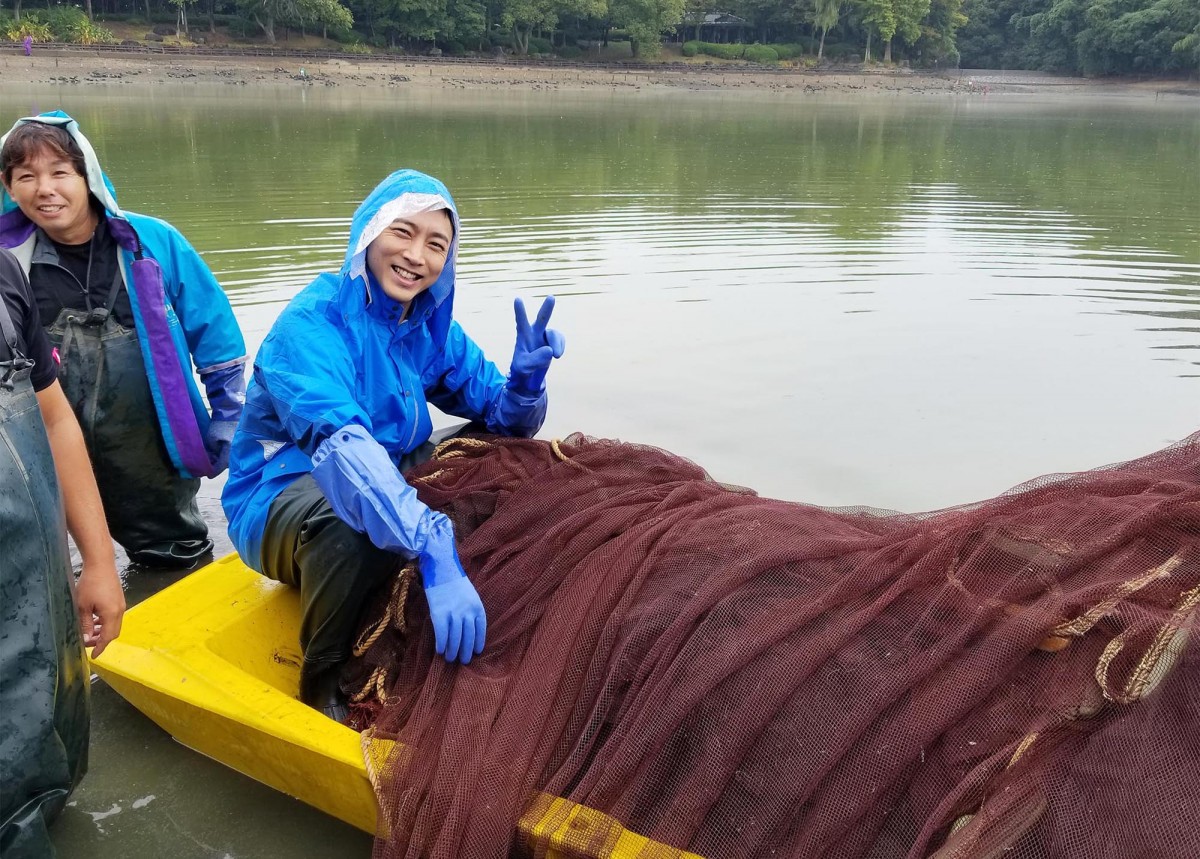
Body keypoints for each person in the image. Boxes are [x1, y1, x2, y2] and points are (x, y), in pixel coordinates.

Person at [222, 169, 565, 720]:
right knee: (352, 524)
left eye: (436, 244)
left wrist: (525, 387)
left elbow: (500, 419)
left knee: (495, 450)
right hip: (281, 495)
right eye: (402, 234)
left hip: (383, 466)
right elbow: (343, 453)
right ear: (368, 234)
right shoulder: (308, 328)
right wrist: (432, 543)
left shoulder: (428, 324)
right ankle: (322, 680)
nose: (416, 256)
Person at [0, 111, 247, 568]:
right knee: (46, 566)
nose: (45, 189)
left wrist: (229, 415)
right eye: (26, 176)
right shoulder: (7, 261)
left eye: (59, 172)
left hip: (147, 444)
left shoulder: (153, 242)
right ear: (8, 187)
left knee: (173, 555)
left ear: (87, 174)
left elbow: (216, 336)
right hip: (45, 440)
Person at [0, 246, 126, 858]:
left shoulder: (4, 273)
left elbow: (53, 420)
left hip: (36, 583)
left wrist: (98, 563)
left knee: (49, 756)